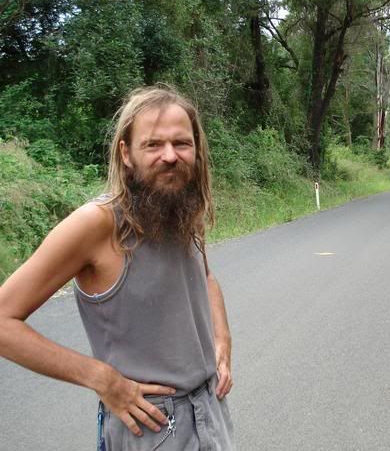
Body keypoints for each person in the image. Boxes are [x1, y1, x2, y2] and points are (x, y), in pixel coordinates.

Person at [0, 85, 235, 450]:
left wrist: (222, 339)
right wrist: (102, 378)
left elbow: (204, 277)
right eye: (153, 144)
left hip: (210, 412)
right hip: (150, 425)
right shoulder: (97, 224)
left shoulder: (180, 205)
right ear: (126, 153)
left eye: (181, 143)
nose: (170, 156)